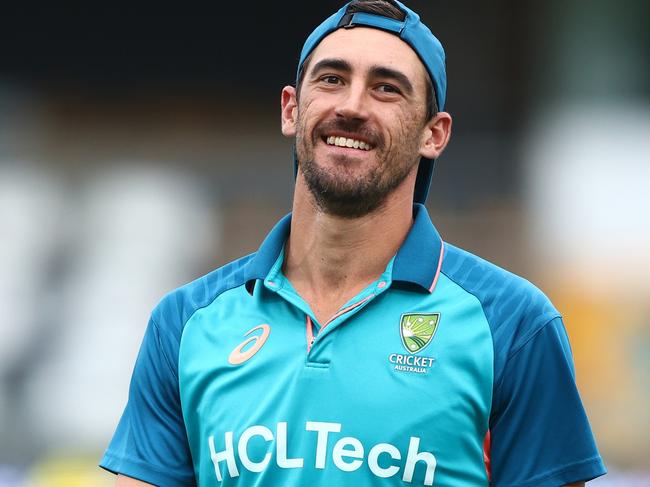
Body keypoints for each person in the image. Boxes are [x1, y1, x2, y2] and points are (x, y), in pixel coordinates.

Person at [100, 1, 607, 485]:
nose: (352, 106)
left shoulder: (513, 326)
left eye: (387, 89)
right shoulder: (185, 323)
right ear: (291, 109)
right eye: (332, 79)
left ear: (435, 134)